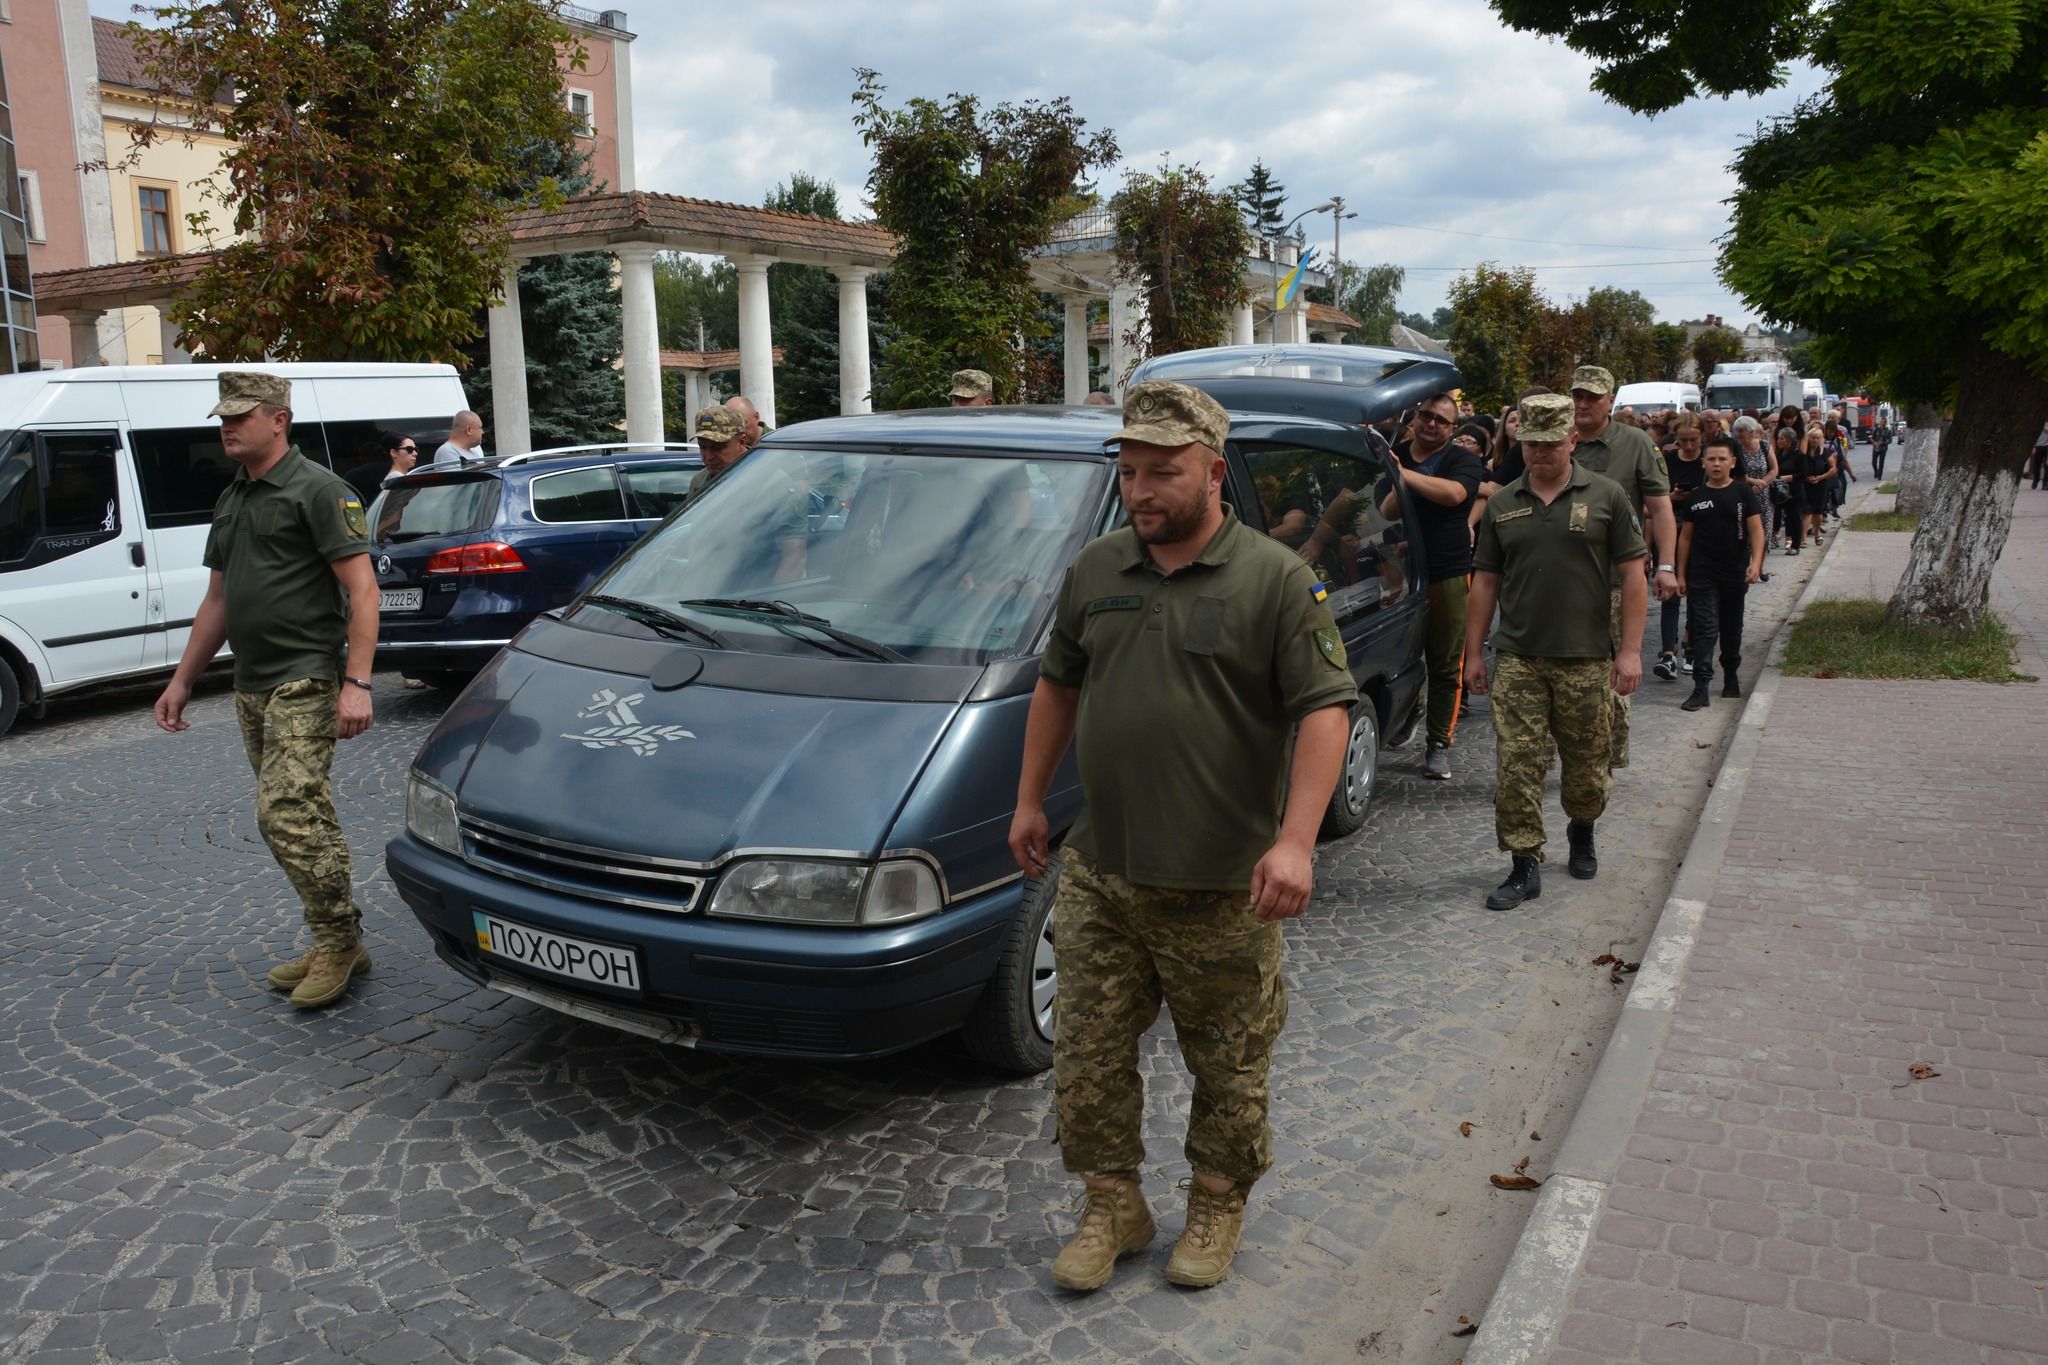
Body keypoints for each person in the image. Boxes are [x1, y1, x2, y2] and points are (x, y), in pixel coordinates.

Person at [1009, 380, 1355, 1293]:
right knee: (1086, 1054)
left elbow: (1325, 709)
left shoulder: (1276, 579)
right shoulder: (1097, 570)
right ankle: (1112, 1204)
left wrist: (1296, 842)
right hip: (1102, 869)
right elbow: (1057, 684)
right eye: (1129, 472)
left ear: (1212, 470)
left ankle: (1216, 1199)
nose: (1141, 491)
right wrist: (1030, 799)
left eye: (1163, 472)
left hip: (1223, 883)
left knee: (1229, 1059)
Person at [152, 371, 378, 1009]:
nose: (227, 426)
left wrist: (356, 683)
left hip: (305, 678)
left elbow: (363, 591)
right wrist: (182, 680)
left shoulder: (319, 491)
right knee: (307, 815)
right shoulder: (233, 498)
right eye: (222, 417)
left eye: (241, 416)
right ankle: (340, 936)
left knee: (283, 812)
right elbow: (217, 600)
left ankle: (335, 941)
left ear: (279, 419)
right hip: (251, 685)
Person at [1464, 393, 1647, 910]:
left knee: (1587, 767)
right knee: (1517, 763)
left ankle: (1582, 827)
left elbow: (1634, 579)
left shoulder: (1608, 497)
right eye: (1530, 444)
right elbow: (1484, 584)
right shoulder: (1502, 504)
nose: (1539, 453)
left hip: (1587, 657)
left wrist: (1629, 652)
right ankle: (1524, 864)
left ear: (1572, 441)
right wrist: (1473, 653)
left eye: (1549, 444)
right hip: (1519, 657)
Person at [1565, 366, 1674, 772]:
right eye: (1578, 395)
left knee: (1614, 675)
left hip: (1614, 579)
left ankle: (1604, 761)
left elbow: (1661, 509)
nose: (1583, 404)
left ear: (1610, 400)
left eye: (1593, 396)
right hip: (1560, 581)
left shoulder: (1635, 443)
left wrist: (1666, 565)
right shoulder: (1559, 439)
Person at [1386, 391, 1485, 779]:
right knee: (1399, 656)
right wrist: (1395, 474)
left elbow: (1455, 494)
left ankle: (1438, 743)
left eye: (1442, 420)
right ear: (1414, 417)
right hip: (1401, 574)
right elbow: (1385, 509)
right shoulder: (1398, 454)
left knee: (1445, 662)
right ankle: (1404, 716)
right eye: (1426, 415)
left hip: (1448, 572)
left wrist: (1400, 474)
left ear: (1453, 428)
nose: (1431, 424)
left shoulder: (1463, 460)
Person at [1675, 436, 1765, 711]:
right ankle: (1701, 686)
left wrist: (1756, 563)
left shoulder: (1742, 494)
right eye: (1711, 459)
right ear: (1703, 463)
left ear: (1732, 462)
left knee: (1731, 627)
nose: (1716, 464)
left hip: (1734, 572)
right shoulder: (1696, 498)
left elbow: (1756, 531)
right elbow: (1685, 538)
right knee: (1704, 627)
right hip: (1702, 573)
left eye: (1722, 459)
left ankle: (1730, 676)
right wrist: (1680, 574)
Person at [1652, 415, 1705, 682]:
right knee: (1670, 597)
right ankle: (1668, 653)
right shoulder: (1669, 460)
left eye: (1693, 440)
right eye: (1682, 440)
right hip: (1671, 530)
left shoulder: (1709, 461)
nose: (1688, 445)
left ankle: (1691, 645)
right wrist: (1672, 497)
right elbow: (1658, 497)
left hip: (1700, 533)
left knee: (1696, 594)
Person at [343, 431, 416, 507]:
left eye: (415, 449)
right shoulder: (396, 474)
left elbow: (348, 499)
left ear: (361, 456)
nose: (415, 453)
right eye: (410, 449)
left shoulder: (352, 474)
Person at [1871, 417, 1894, 481]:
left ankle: (1880, 475)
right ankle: (1876, 471)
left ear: (1885, 423)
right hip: (1876, 448)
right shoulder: (1876, 429)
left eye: (1883, 422)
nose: (1882, 423)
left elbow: (1890, 440)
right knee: (1873, 462)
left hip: (1883, 448)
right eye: (1881, 422)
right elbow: (1872, 438)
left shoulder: (1888, 430)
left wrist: (1883, 442)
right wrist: (1874, 442)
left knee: (1881, 462)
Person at [2029, 420, 2048, 490]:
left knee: (2047, 465)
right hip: (2038, 446)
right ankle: (2036, 480)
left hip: (2047, 446)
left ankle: (2045, 483)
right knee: (2037, 464)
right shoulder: (2037, 421)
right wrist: (2033, 446)